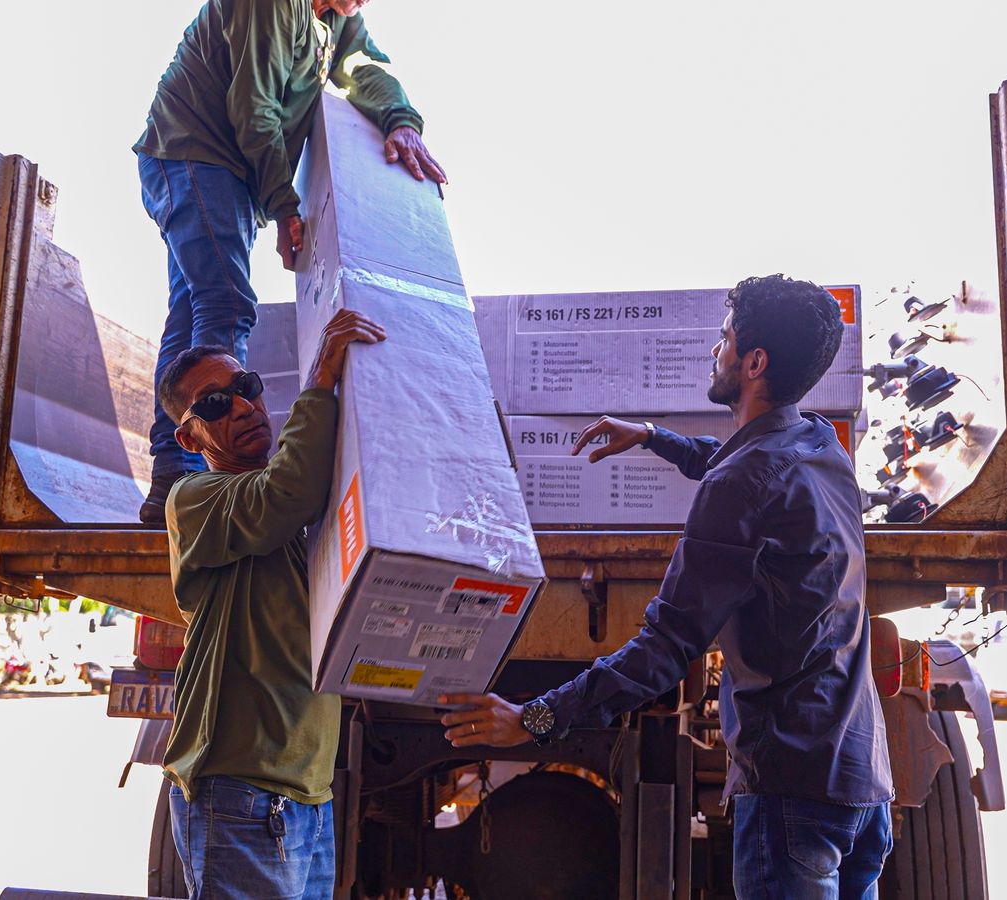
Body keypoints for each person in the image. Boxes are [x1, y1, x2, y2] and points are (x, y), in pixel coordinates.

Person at [443, 275, 894, 899]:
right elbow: (743, 466)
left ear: (754, 362)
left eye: (726, 337)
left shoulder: (743, 484)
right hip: (860, 782)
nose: (716, 349)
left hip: (793, 792)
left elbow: (663, 650)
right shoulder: (820, 445)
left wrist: (535, 717)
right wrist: (655, 439)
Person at [134, 0, 445, 523]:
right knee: (225, 305)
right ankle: (208, 476)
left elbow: (364, 66)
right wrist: (284, 203)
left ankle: (174, 474)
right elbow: (254, 106)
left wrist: (399, 121)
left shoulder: (335, 19)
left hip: (224, 170)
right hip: (195, 154)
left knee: (193, 310)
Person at [159, 308, 385, 899]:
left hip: (307, 796)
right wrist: (321, 383)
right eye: (213, 405)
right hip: (241, 796)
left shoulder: (301, 510)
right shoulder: (197, 498)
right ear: (188, 438)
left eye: (245, 389)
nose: (240, 406)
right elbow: (287, 492)